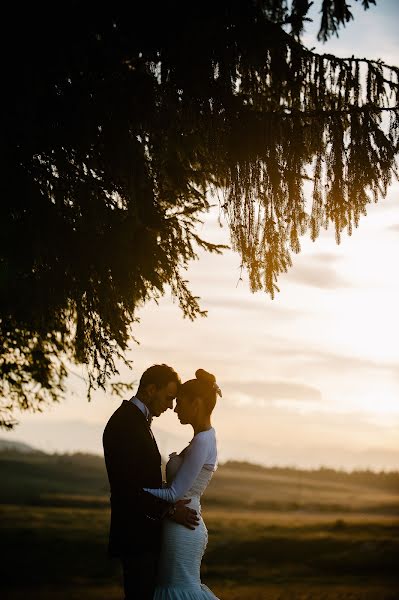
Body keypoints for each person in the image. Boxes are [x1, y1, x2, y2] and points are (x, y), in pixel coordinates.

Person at [102, 364, 199, 600]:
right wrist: (169, 510)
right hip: (136, 534)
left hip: (144, 533)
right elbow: (128, 487)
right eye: (168, 398)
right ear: (150, 390)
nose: (170, 406)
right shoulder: (125, 424)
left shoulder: (137, 421)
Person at [144, 368, 221, 599]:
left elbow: (175, 492)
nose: (175, 409)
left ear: (196, 403)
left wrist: (138, 490)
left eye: (179, 402)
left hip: (182, 528)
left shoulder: (202, 440)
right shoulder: (204, 437)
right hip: (183, 521)